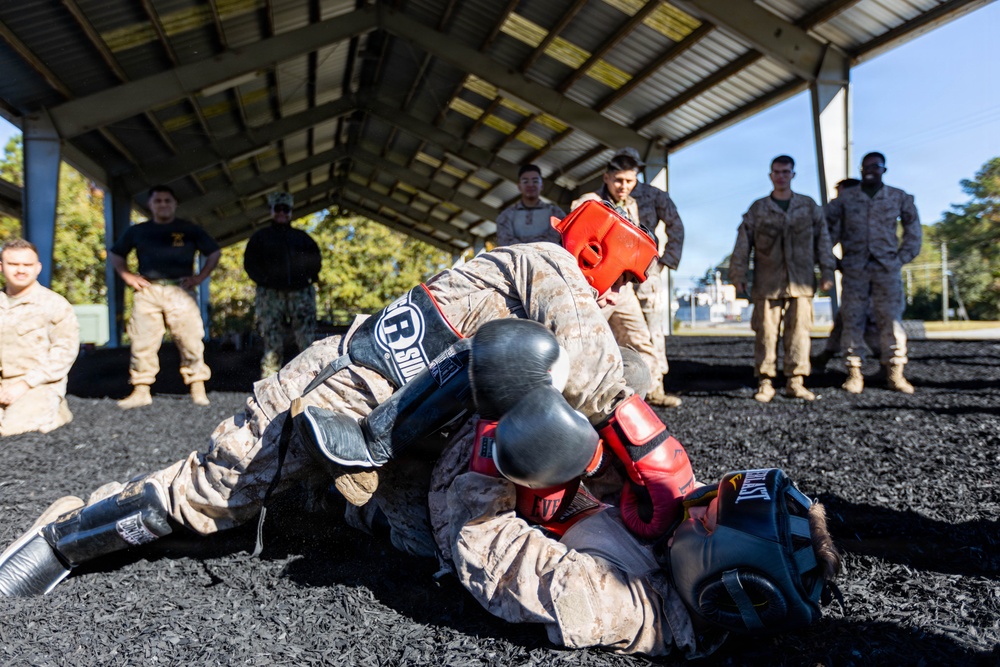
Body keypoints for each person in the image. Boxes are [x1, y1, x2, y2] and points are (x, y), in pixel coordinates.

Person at [0, 200, 663, 600]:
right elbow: (594, 379)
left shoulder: (521, 265)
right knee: (209, 494)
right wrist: (659, 465)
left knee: (424, 537)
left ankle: (326, 497)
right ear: (596, 251)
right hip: (334, 397)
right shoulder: (553, 267)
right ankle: (61, 540)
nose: (620, 294)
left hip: (390, 422)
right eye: (625, 277)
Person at [571, 155, 681, 408]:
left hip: (623, 287)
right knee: (582, 339)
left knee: (640, 338)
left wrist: (658, 264)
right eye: (618, 180)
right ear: (606, 178)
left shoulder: (633, 204)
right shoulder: (590, 201)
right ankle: (575, 396)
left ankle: (653, 390)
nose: (624, 186)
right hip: (595, 287)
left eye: (630, 181)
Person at [729, 155, 835, 402]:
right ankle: (765, 382)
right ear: (770, 175)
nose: (781, 176)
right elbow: (742, 243)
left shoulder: (808, 206)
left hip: (801, 282)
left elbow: (823, 240)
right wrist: (738, 274)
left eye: (786, 172)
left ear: (793, 175)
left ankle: (795, 381)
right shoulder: (758, 208)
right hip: (767, 284)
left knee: (799, 333)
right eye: (776, 172)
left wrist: (827, 271)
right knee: (765, 334)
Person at [109, 185, 222, 409]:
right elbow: (115, 253)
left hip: (180, 289)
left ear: (174, 204)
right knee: (142, 341)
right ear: (150, 204)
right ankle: (141, 390)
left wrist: (200, 277)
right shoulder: (138, 230)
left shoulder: (189, 229)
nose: (163, 204)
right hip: (148, 290)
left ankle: (197, 387)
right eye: (158, 201)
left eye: (167, 200)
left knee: (190, 339)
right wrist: (127, 276)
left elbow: (214, 251)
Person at [826, 152, 922, 394]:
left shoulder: (898, 197)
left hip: (886, 269)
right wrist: (833, 260)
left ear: (883, 169)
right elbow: (824, 228)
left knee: (891, 321)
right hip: (855, 270)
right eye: (866, 167)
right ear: (860, 169)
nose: (870, 170)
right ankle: (854, 373)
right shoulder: (847, 199)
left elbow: (913, 229)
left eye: (875, 166)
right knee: (852, 320)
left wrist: (901, 258)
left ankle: (895, 373)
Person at [609, 147, 685, 408]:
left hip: (646, 273)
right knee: (616, 331)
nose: (624, 182)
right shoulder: (601, 197)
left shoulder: (653, 195)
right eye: (620, 170)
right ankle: (621, 387)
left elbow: (676, 225)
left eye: (631, 169)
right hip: (614, 276)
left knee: (652, 331)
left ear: (638, 170)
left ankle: (655, 387)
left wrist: (665, 262)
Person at [0, 239, 79, 436]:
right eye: (13, 264)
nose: (21, 270)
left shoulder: (54, 305)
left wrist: (25, 383)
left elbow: (65, 352)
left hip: (38, 384)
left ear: (38, 268)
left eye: (27, 265)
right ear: (1, 267)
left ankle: (56, 411)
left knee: (15, 431)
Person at [243, 191, 323, 379]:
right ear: (271, 211)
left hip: (300, 293)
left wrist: (306, 280)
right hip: (270, 294)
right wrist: (265, 281)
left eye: (285, 209)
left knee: (307, 340)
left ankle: (312, 381)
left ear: (290, 211)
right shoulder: (260, 238)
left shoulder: (302, 238)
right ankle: (268, 383)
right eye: (277, 209)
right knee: (271, 342)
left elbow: (315, 262)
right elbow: (250, 264)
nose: (281, 213)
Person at [813, 179, 880, 368]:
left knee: (865, 318)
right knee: (847, 316)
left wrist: (838, 264)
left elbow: (822, 244)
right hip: (859, 275)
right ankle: (826, 355)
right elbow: (823, 244)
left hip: (873, 276)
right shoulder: (849, 213)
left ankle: (884, 359)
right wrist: (839, 264)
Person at [493, 164, 566, 246]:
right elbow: (505, 241)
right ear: (519, 186)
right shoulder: (506, 215)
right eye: (525, 181)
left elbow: (559, 237)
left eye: (535, 181)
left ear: (542, 185)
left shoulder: (555, 213)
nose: (530, 185)